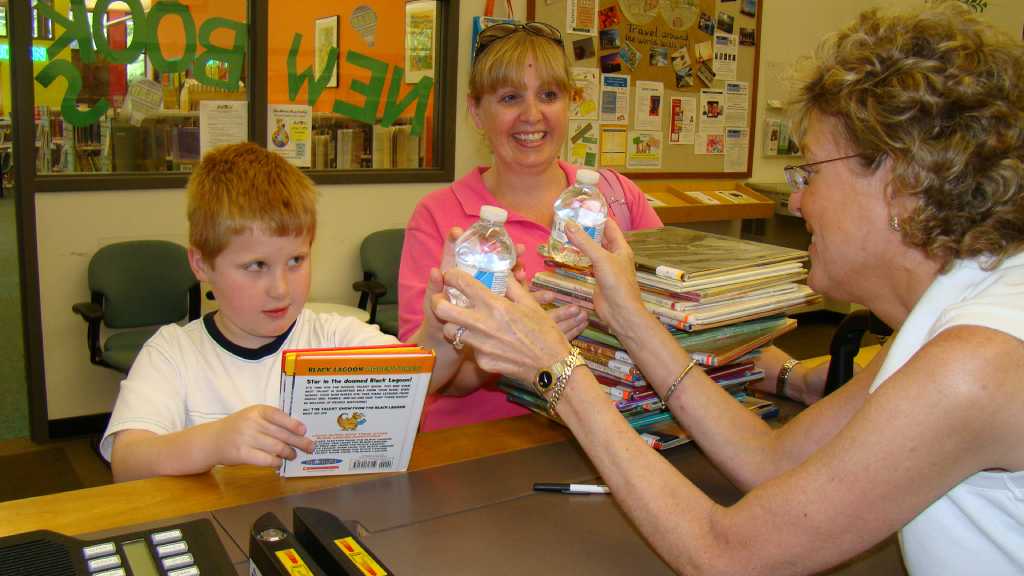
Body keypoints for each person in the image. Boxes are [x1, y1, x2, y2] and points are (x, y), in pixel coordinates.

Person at [431, 4, 1024, 574]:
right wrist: (633, 318)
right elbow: (774, 461)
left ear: (898, 183)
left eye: (809, 172)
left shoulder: (973, 363)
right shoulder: (955, 314)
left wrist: (555, 367)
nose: (795, 200)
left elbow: (729, 555)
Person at [101, 143, 462, 482]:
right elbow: (128, 463)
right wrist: (215, 441)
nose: (281, 288)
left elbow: (417, 376)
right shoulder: (172, 353)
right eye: (256, 265)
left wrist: (443, 328)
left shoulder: (334, 337)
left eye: (296, 260)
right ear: (201, 263)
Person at [398, 21, 663, 432]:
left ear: (570, 103)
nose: (532, 115)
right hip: (478, 449)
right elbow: (426, 378)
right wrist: (517, 342)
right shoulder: (440, 217)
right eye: (509, 97)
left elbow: (673, 315)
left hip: (609, 436)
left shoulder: (616, 198)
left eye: (549, 95)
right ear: (475, 111)